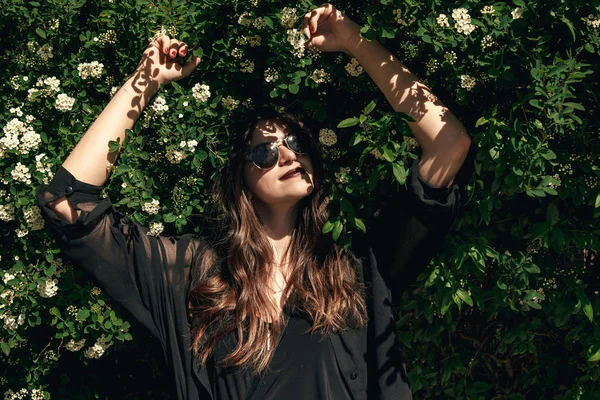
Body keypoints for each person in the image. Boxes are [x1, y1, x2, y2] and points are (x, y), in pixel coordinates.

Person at [36, 3, 476, 400]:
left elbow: (450, 144)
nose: (286, 154)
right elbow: (67, 202)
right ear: (241, 181)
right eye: (264, 152)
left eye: (296, 141)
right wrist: (145, 81)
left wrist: (356, 42)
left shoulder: (356, 269)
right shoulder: (195, 276)